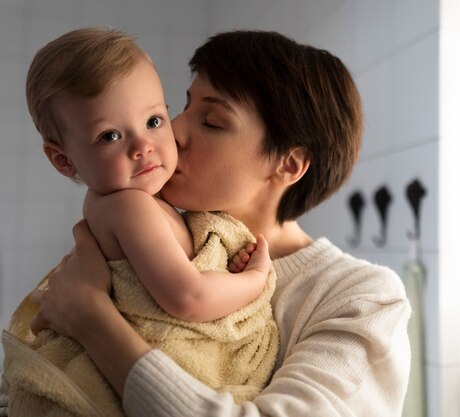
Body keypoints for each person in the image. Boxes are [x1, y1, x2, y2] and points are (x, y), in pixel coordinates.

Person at [2, 30, 412, 416]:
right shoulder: (152, 234)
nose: (173, 132)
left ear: (288, 164)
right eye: (181, 107)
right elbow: (37, 377)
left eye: (212, 121)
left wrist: (93, 322)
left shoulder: (361, 298)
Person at [0, 27, 278, 416]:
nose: (142, 146)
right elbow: (188, 297)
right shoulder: (130, 207)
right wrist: (252, 279)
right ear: (64, 160)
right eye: (110, 135)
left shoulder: (138, 200)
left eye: (154, 121)